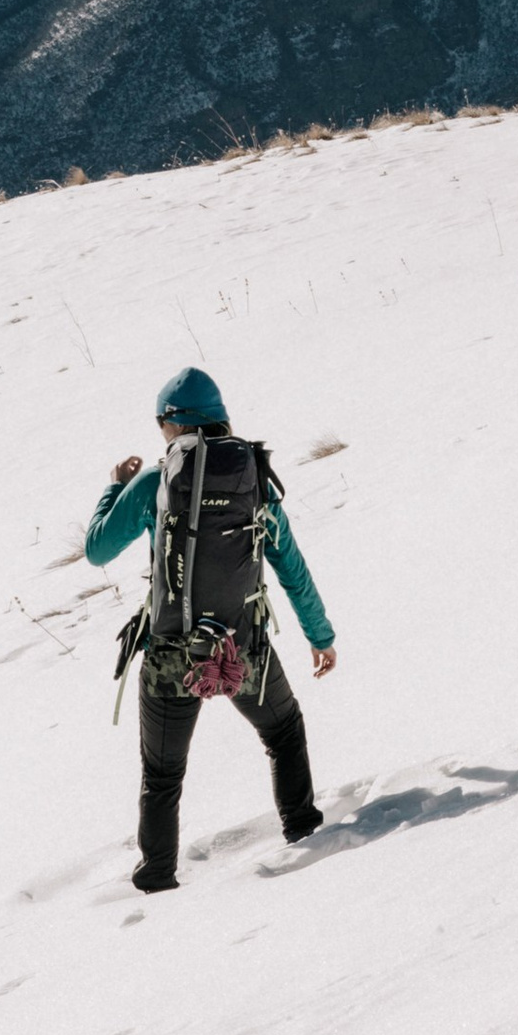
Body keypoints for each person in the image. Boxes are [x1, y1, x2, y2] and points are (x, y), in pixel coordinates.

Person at [84, 364, 337, 894]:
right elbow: (289, 564)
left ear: (173, 423)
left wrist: (115, 489)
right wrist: (320, 635)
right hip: (243, 648)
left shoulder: (156, 482)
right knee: (283, 732)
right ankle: (305, 833)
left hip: (171, 654)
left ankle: (156, 879)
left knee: (162, 775)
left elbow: (97, 550)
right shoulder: (253, 481)